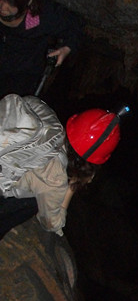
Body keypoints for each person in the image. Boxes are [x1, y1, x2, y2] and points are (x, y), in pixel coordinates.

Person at [0, 93, 126, 238]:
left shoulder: (45, 114)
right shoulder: (55, 176)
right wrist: (73, 185)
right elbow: (52, 224)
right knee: (35, 202)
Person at [0, 0, 84, 98]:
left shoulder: (44, 15)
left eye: (10, 1)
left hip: (22, 78)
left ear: (28, 0)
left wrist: (67, 48)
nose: (2, 6)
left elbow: (74, 26)